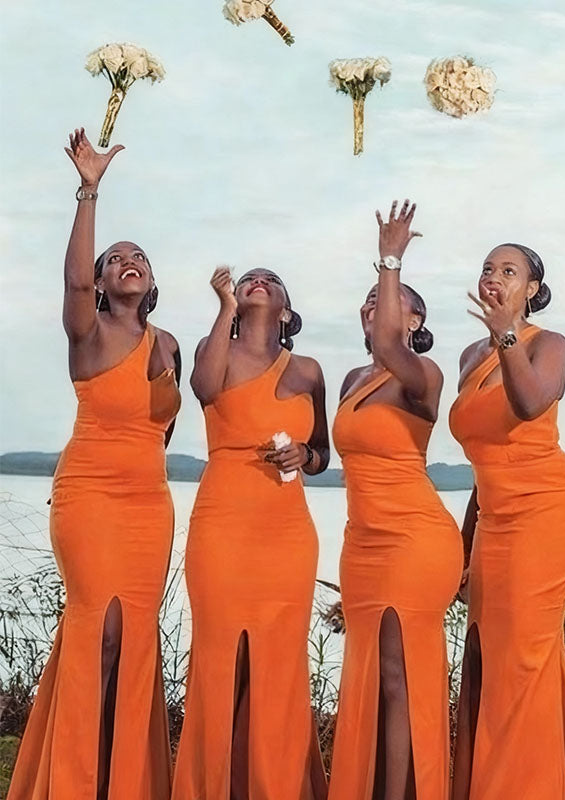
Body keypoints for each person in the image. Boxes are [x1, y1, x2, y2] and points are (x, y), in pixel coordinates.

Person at [8, 128, 181, 800]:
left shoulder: (169, 343)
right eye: (115, 259)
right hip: (90, 496)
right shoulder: (89, 331)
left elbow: (162, 428)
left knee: (133, 637)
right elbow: (74, 278)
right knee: (99, 630)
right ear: (103, 285)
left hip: (150, 506)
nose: (127, 261)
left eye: (139, 257)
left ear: (153, 282)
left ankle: (120, 781)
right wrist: (89, 191)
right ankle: (74, 782)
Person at [172, 266, 329, 799]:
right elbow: (203, 389)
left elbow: (323, 454)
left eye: (271, 280)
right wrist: (224, 311)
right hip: (223, 522)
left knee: (278, 664)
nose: (258, 280)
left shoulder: (308, 370)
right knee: (221, 658)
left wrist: (305, 453)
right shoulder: (213, 346)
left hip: (287, 531)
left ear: (287, 311)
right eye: (249, 279)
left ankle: (274, 786)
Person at [449, 243, 565, 799]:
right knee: (489, 655)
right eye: (487, 268)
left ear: (531, 289)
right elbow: (482, 464)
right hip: (494, 520)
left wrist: (507, 335)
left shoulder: (548, 344)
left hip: (548, 510)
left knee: (520, 660)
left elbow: (531, 403)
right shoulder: (469, 357)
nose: (494, 276)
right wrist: (464, 547)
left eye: (508, 271)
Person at [328, 200, 462, 799]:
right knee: (372, 678)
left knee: (397, 673)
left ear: (415, 320)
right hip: (362, 544)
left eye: (383, 300)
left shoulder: (423, 376)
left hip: (414, 539)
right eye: (366, 301)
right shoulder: (353, 381)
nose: (372, 306)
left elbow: (387, 343)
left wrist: (390, 259)